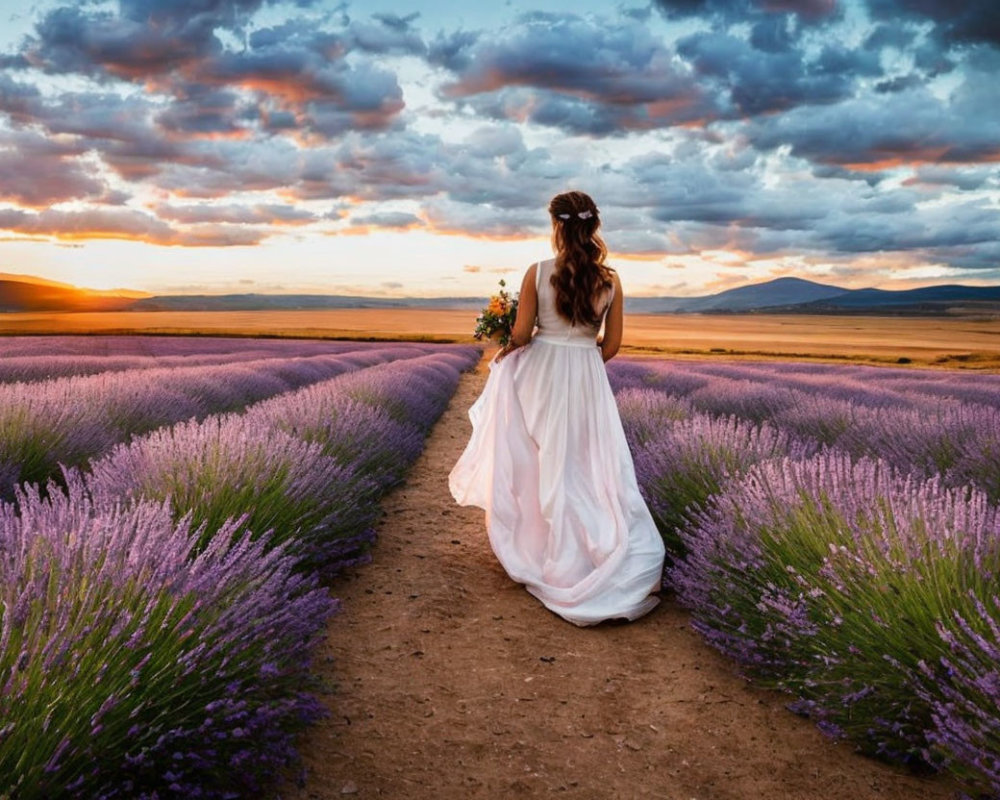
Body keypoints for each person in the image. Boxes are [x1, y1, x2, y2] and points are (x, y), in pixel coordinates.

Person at [449, 190, 665, 626]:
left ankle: (548, 546)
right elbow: (615, 345)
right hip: (586, 373)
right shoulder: (611, 280)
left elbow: (524, 334)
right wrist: (582, 361)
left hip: (542, 374)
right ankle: (601, 546)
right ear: (592, 226)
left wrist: (507, 352)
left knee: (540, 456)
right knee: (589, 461)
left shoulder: (537, 272)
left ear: (557, 226)